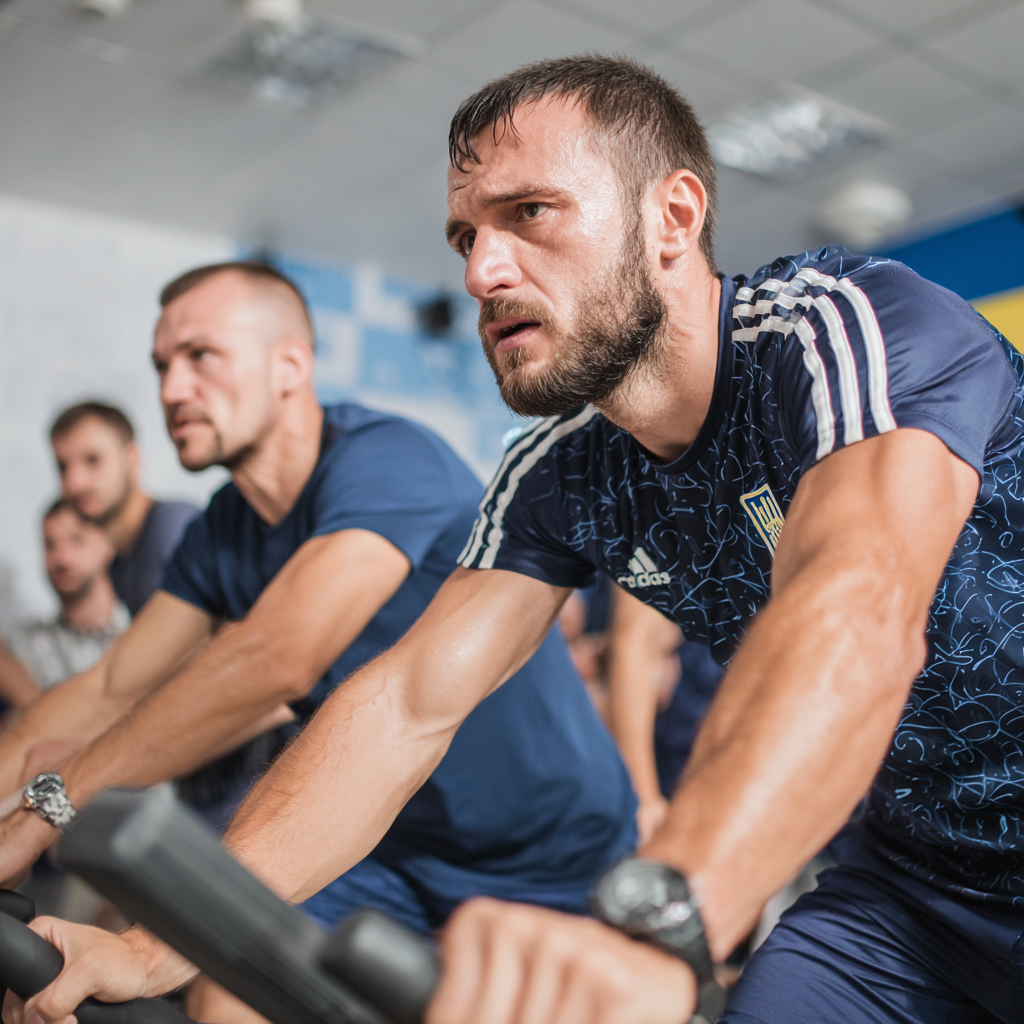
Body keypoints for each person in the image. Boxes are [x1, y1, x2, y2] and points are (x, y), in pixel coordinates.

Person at [9, 55, 1022, 1024]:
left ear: (672, 217)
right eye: (464, 238)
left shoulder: (840, 331)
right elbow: (400, 708)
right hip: (904, 895)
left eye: (529, 214)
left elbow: (859, 606)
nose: (484, 270)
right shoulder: (557, 472)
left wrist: (665, 915)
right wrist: (150, 947)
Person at [0, 259, 635, 1019]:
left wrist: (46, 809)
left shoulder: (386, 460)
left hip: (550, 851)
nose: (171, 389)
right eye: (163, 366)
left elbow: (278, 656)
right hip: (384, 849)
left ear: (290, 365)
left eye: (201, 357)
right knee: (224, 1000)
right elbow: (107, 687)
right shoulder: (221, 531)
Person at [50, 401, 199, 618]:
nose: (74, 483)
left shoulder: (175, 530)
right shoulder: (118, 566)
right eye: (63, 466)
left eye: (93, 460)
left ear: (132, 458)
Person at [5, 499, 128, 693]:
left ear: (109, 544)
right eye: (50, 545)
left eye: (77, 540)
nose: (62, 559)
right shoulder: (19, 648)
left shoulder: (139, 634)